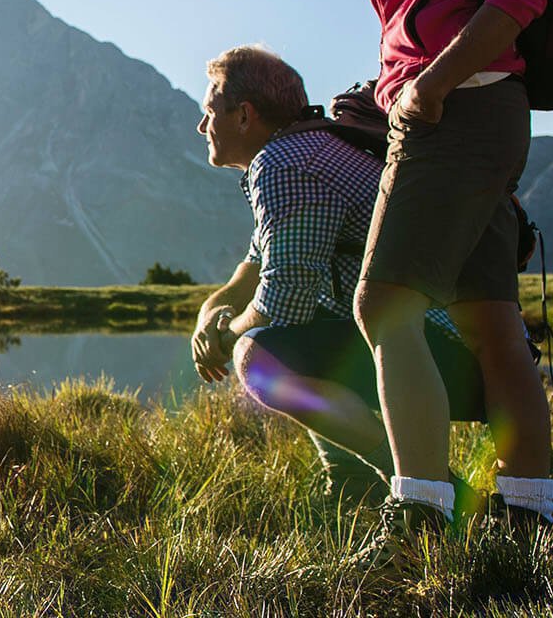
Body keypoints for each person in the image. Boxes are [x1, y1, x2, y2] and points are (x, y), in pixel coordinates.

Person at [352, 0, 553, 564]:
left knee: (383, 305)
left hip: (459, 111)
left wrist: (427, 88)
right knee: (488, 318)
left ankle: (424, 516)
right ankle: (527, 512)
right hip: (462, 107)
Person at [188, 46, 487, 507]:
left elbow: (284, 300)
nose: (202, 127)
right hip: (456, 348)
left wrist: (227, 338)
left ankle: (433, 490)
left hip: (435, 355)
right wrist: (207, 320)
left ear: (245, 115)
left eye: (210, 113)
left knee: (261, 357)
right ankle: (351, 482)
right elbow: (251, 271)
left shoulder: (286, 164)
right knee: (294, 339)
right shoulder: (309, 150)